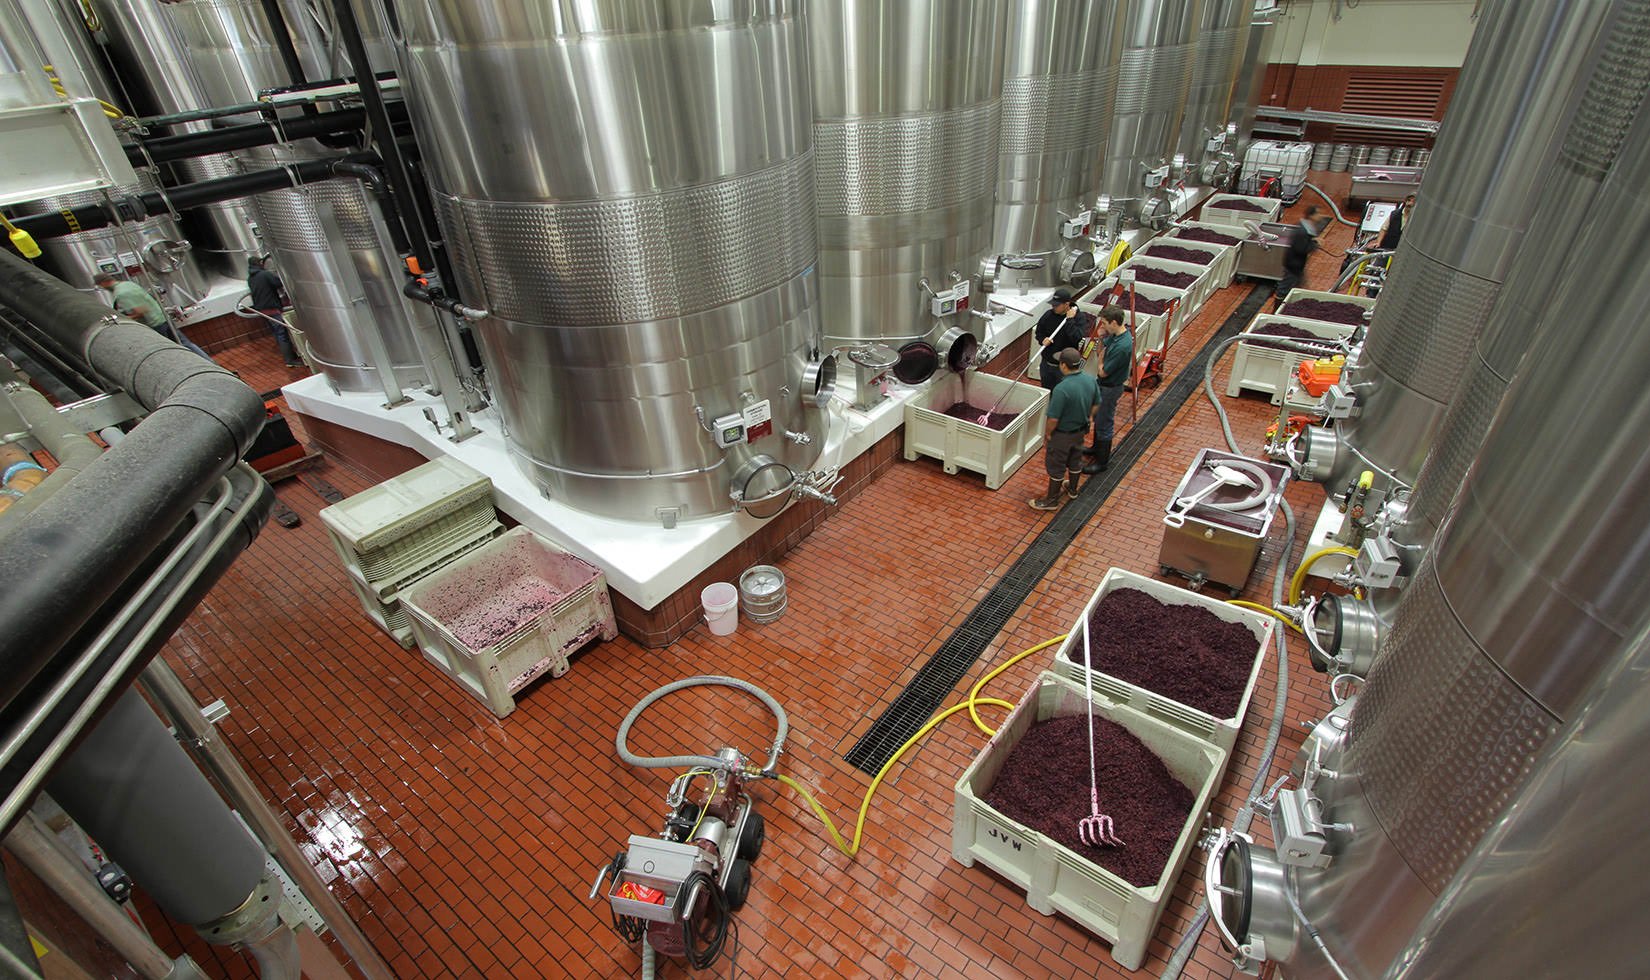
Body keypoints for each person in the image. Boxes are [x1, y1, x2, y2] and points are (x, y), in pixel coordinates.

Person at [1028, 347, 1098, 511]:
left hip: (1062, 435)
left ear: (1064, 366)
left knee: (1056, 466)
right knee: (1075, 460)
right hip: (1080, 431)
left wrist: (1047, 434)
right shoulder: (1090, 380)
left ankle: (1051, 501)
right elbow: (1096, 403)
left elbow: (1053, 418)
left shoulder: (1062, 389)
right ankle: (1072, 489)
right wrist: (1088, 418)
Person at [93, 271, 214, 361]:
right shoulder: (129, 284)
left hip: (155, 325)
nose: (102, 288)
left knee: (170, 351)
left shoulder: (120, 294)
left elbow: (140, 310)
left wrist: (125, 319)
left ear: (104, 283)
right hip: (163, 317)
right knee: (186, 343)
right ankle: (209, 362)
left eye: (101, 285)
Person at [1083, 306, 1132, 475]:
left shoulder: (1123, 346)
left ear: (1114, 322)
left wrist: (1101, 361)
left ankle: (1101, 462)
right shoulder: (1116, 337)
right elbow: (1101, 348)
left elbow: (1102, 371)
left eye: (1104, 323)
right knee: (1099, 417)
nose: (1102, 326)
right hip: (1104, 386)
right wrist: (1102, 339)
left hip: (1110, 387)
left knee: (1104, 422)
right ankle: (1096, 448)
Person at [247, 254, 303, 368]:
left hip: (262, 310)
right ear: (260, 264)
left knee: (277, 333)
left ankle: (289, 356)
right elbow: (278, 283)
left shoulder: (250, 278)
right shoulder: (265, 275)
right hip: (272, 309)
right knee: (282, 334)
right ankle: (290, 360)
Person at [1032, 288, 1089, 390]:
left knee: (1063, 392)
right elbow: (1039, 332)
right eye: (1053, 304)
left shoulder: (1078, 318)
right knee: (1046, 391)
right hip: (1047, 363)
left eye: (1056, 305)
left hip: (1064, 367)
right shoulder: (1048, 315)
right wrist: (1043, 339)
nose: (1054, 307)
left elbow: (1076, 337)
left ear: (1066, 304)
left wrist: (1070, 320)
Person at [1272, 205, 1326, 310]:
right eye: (1318, 214)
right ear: (1312, 216)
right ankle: (1276, 311)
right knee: (1284, 289)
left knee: (1299, 285)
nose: (1321, 216)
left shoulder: (1306, 228)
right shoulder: (1302, 231)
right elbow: (1301, 248)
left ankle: (1293, 307)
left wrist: (1314, 241)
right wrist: (1315, 245)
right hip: (1293, 265)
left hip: (1297, 265)